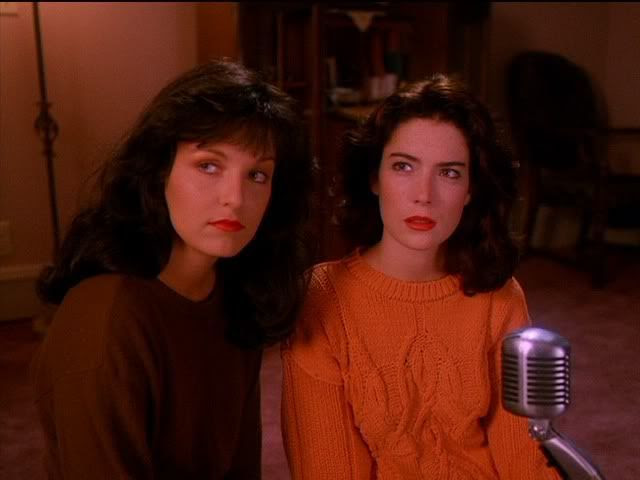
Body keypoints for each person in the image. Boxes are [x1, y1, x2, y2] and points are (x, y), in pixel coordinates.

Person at [31, 60, 313, 479]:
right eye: (209, 165)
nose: (235, 198)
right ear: (159, 170)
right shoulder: (107, 318)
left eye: (257, 174)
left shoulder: (238, 294)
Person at [280, 74, 561, 479]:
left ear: (470, 189)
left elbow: (525, 461)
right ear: (374, 178)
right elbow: (327, 469)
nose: (424, 194)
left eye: (449, 173)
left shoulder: (500, 296)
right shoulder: (323, 298)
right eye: (404, 166)